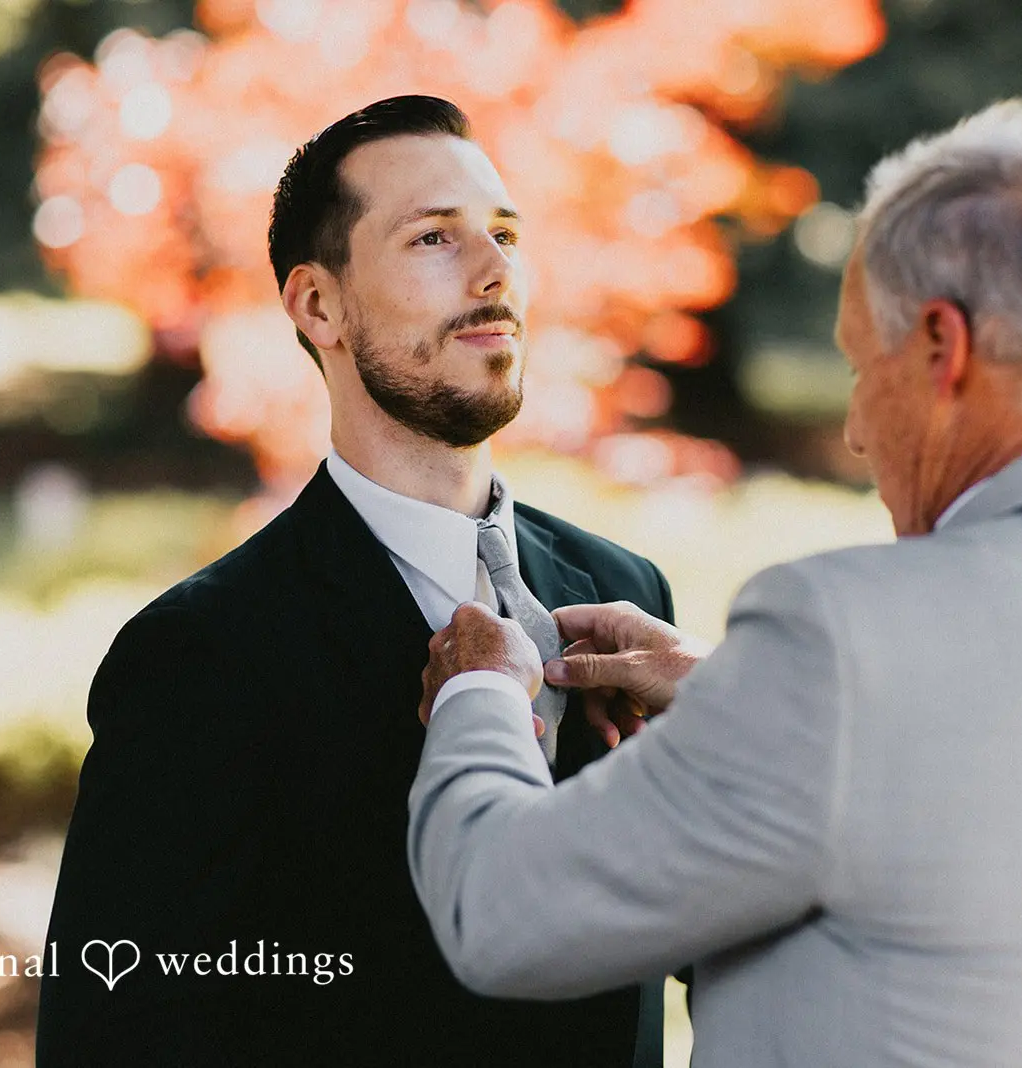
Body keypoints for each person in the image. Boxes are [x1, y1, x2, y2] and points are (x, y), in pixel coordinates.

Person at [409, 100, 1022, 1068]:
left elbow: (498, 909)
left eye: (861, 364)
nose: (853, 428)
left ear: (943, 347)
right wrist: (736, 698)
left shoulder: (842, 645)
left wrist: (482, 686)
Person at [37, 95, 672, 1067]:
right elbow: (108, 1032)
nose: (496, 269)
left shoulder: (631, 598)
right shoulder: (200, 654)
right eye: (433, 238)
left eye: (504, 234)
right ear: (318, 306)